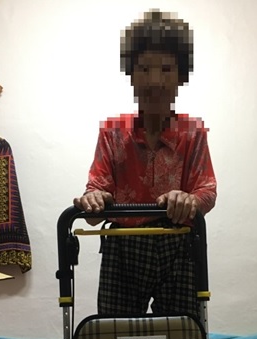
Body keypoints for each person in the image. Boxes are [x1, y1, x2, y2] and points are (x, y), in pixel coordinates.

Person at [74, 9, 217, 316]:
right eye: (144, 69)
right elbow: (96, 191)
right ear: (131, 74)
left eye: (165, 69)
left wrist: (188, 200)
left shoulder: (193, 133)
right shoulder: (112, 133)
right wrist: (94, 200)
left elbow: (207, 191)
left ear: (181, 76)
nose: (154, 80)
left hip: (178, 243)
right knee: (117, 330)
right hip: (123, 245)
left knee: (181, 329)